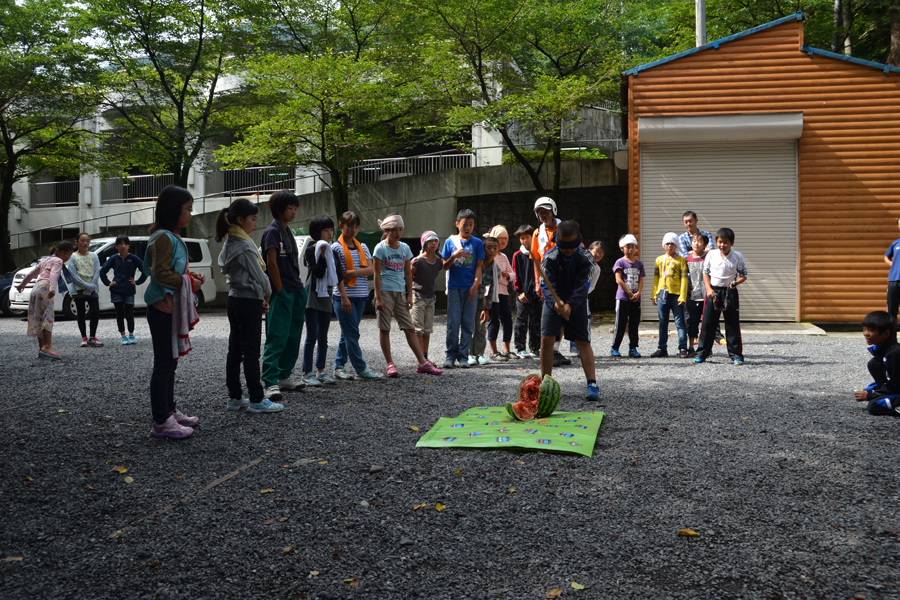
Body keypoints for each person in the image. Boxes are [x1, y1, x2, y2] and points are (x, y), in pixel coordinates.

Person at [143, 185, 203, 439]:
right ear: (173, 210)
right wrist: (189, 282)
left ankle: (169, 411)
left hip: (169, 309)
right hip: (162, 310)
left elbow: (171, 271)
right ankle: (161, 421)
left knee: (171, 363)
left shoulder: (170, 236)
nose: (191, 214)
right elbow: (159, 273)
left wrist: (189, 277)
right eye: (187, 209)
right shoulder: (164, 237)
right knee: (164, 364)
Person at [217, 198, 282, 413]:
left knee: (235, 351)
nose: (255, 223)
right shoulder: (245, 245)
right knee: (251, 352)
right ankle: (256, 398)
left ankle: (235, 397)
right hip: (247, 301)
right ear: (240, 219)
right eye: (253, 219)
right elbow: (261, 277)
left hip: (234, 299)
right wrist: (267, 294)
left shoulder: (230, 241)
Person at [373, 214, 442, 377]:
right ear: (386, 230)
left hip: (401, 292)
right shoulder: (380, 248)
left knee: (410, 328)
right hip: (385, 291)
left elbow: (408, 274)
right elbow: (376, 274)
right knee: (385, 329)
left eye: (400, 230)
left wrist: (410, 295)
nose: (398, 233)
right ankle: (390, 363)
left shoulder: (404, 248)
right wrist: (379, 297)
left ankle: (422, 363)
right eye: (394, 230)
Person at [538, 220, 598, 400]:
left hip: (577, 304)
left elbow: (584, 285)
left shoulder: (586, 257)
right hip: (553, 303)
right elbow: (546, 285)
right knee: (546, 339)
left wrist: (570, 304)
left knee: (583, 341)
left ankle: (592, 384)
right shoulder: (550, 257)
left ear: (578, 241)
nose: (568, 250)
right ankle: (545, 383)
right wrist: (556, 303)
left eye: (572, 246)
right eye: (564, 246)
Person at [260, 190, 306, 400]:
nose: (294, 211)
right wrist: (279, 290)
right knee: (277, 335)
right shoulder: (272, 232)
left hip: (296, 289)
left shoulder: (288, 231)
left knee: (293, 336)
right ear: (279, 209)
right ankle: (269, 381)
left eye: (295, 208)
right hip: (283, 291)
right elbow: (271, 263)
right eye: (290, 208)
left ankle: (283, 375)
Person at [332, 211, 382, 380]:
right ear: (341, 226)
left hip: (360, 295)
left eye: (356, 226)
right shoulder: (336, 248)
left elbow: (371, 269)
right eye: (349, 226)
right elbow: (337, 274)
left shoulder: (363, 247)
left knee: (347, 333)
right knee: (352, 333)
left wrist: (352, 272)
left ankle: (338, 366)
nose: (353, 230)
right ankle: (361, 368)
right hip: (343, 296)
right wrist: (344, 296)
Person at [302, 216, 348, 387]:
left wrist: (344, 296)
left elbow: (338, 276)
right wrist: (321, 255)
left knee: (323, 337)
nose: (330, 234)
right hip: (312, 296)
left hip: (326, 296)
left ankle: (321, 370)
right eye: (326, 230)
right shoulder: (310, 250)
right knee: (311, 336)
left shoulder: (333, 251)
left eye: (331, 230)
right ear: (317, 232)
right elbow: (319, 273)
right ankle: (307, 372)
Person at [693, 228, 748, 365]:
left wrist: (735, 283)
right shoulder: (711, 255)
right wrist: (708, 289)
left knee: (732, 324)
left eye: (725, 242)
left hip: (730, 291)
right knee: (707, 323)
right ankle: (701, 353)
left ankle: (736, 355)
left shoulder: (737, 256)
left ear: (732, 243)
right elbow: (705, 273)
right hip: (713, 292)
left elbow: (744, 275)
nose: (722, 245)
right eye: (719, 242)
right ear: (716, 242)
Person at [16, 241, 75, 359]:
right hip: (46, 288)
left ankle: (42, 348)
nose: (67, 257)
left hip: (36, 288)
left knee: (39, 316)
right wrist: (52, 289)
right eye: (66, 254)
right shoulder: (58, 261)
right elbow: (53, 274)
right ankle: (47, 346)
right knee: (48, 315)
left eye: (69, 255)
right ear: (58, 251)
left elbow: (32, 272)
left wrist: (22, 284)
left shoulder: (46, 260)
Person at [442, 209, 484, 369]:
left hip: (471, 288)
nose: (468, 228)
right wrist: (454, 256)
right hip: (454, 287)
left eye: (471, 225)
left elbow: (479, 266)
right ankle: (450, 356)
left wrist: (475, 285)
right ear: (457, 224)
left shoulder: (477, 243)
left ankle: (463, 356)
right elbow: (445, 266)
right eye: (465, 224)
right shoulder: (449, 242)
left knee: (468, 323)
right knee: (453, 322)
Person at [530, 196, 570, 366]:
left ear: (553, 211)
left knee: (562, 316)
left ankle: (555, 350)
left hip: (565, 278)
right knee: (549, 317)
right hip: (547, 281)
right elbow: (536, 259)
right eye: (540, 213)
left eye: (545, 211)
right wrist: (538, 283)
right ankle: (548, 354)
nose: (543, 215)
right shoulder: (537, 233)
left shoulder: (565, 228)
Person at [679, 210, 724, 345]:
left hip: (706, 281)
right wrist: (699, 251)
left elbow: (711, 251)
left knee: (710, 312)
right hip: (690, 281)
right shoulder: (681, 237)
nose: (688, 224)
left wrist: (695, 251)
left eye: (690, 221)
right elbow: (683, 255)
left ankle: (717, 336)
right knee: (690, 314)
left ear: (696, 221)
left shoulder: (706, 234)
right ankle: (692, 340)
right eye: (686, 222)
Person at [99, 234, 148, 345]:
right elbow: (102, 271)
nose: (123, 246)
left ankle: (131, 334)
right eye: (120, 244)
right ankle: (123, 335)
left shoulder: (133, 258)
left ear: (128, 246)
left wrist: (137, 281)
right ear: (116, 246)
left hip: (129, 289)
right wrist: (108, 282)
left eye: (125, 244)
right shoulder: (113, 258)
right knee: (119, 314)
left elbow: (145, 270)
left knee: (129, 313)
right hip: (116, 290)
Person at [853, 310, 900, 416]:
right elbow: (886, 381)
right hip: (894, 389)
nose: (866, 333)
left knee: (874, 406)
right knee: (873, 363)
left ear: (886, 333)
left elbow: (895, 384)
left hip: (897, 388)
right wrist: (869, 390)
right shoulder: (881, 352)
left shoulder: (894, 353)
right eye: (864, 329)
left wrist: (870, 395)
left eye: (871, 330)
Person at [651, 232, 689, 358]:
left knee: (680, 323)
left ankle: (683, 347)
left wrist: (683, 296)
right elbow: (656, 278)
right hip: (662, 295)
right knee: (663, 323)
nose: (669, 246)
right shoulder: (659, 260)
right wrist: (654, 294)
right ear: (663, 245)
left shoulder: (681, 260)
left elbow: (684, 280)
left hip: (676, 296)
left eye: (672, 244)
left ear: (676, 245)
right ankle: (662, 348)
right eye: (667, 244)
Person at [411, 230, 443, 362]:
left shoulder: (439, 261)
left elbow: (435, 276)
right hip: (417, 297)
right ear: (424, 244)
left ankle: (425, 355)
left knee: (428, 329)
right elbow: (408, 276)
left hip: (431, 298)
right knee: (418, 329)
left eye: (436, 241)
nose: (434, 243)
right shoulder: (417, 261)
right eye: (430, 241)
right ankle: (420, 359)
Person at [611, 234, 644, 358]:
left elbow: (641, 280)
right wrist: (630, 293)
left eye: (633, 247)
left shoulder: (639, 263)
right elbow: (618, 280)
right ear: (622, 248)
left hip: (636, 298)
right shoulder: (620, 262)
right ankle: (615, 347)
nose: (630, 250)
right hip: (623, 298)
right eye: (627, 247)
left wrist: (638, 293)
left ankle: (633, 347)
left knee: (634, 323)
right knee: (620, 322)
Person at [67, 232, 103, 347]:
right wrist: (87, 286)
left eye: (87, 240)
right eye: (82, 240)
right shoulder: (72, 256)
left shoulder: (94, 255)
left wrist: (91, 286)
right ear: (76, 242)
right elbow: (73, 275)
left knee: (95, 311)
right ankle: (84, 337)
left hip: (92, 288)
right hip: (78, 289)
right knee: (81, 313)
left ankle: (92, 336)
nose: (85, 243)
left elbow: (97, 271)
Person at [470, 236, 501, 365]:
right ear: (482, 249)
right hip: (469, 297)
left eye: (495, 248)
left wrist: (487, 309)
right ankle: (468, 354)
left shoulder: (496, 269)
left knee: (481, 327)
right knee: (469, 326)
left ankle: (479, 354)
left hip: (481, 298)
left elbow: (493, 290)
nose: (492, 251)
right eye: (489, 247)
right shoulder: (475, 263)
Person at [487, 225, 516, 362]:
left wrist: (507, 275)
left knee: (507, 320)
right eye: (500, 238)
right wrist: (502, 276)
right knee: (494, 322)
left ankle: (507, 349)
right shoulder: (488, 255)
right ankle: (494, 351)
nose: (503, 241)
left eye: (506, 238)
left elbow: (512, 273)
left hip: (503, 292)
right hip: (492, 292)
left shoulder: (503, 256)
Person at [513, 225, 540, 359]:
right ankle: (520, 347)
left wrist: (542, 291)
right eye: (522, 238)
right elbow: (514, 275)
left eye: (527, 237)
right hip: (523, 294)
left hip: (537, 294)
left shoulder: (538, 253)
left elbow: (543, 273)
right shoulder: (517, 256)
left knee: (536, 321)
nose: (524, 241)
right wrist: (519, 292)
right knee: (521, 320)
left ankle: (535, 347)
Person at [684, 232, 709, 355]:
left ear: (705, 244)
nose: (696, 243)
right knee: (693, 322)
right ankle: (690, 347)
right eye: (694, 241)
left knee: (706, 323)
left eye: (699, 241)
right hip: (693, 296)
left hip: (707, 295)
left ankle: (705, 348)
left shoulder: (709, 257)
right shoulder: (687, 259)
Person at [884, 217, 900, 320]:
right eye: (899, 224)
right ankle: (891, 336)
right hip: (894, 280)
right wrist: (891, 264)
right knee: (892, 310)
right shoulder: (895, 243)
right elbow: (886, 256)